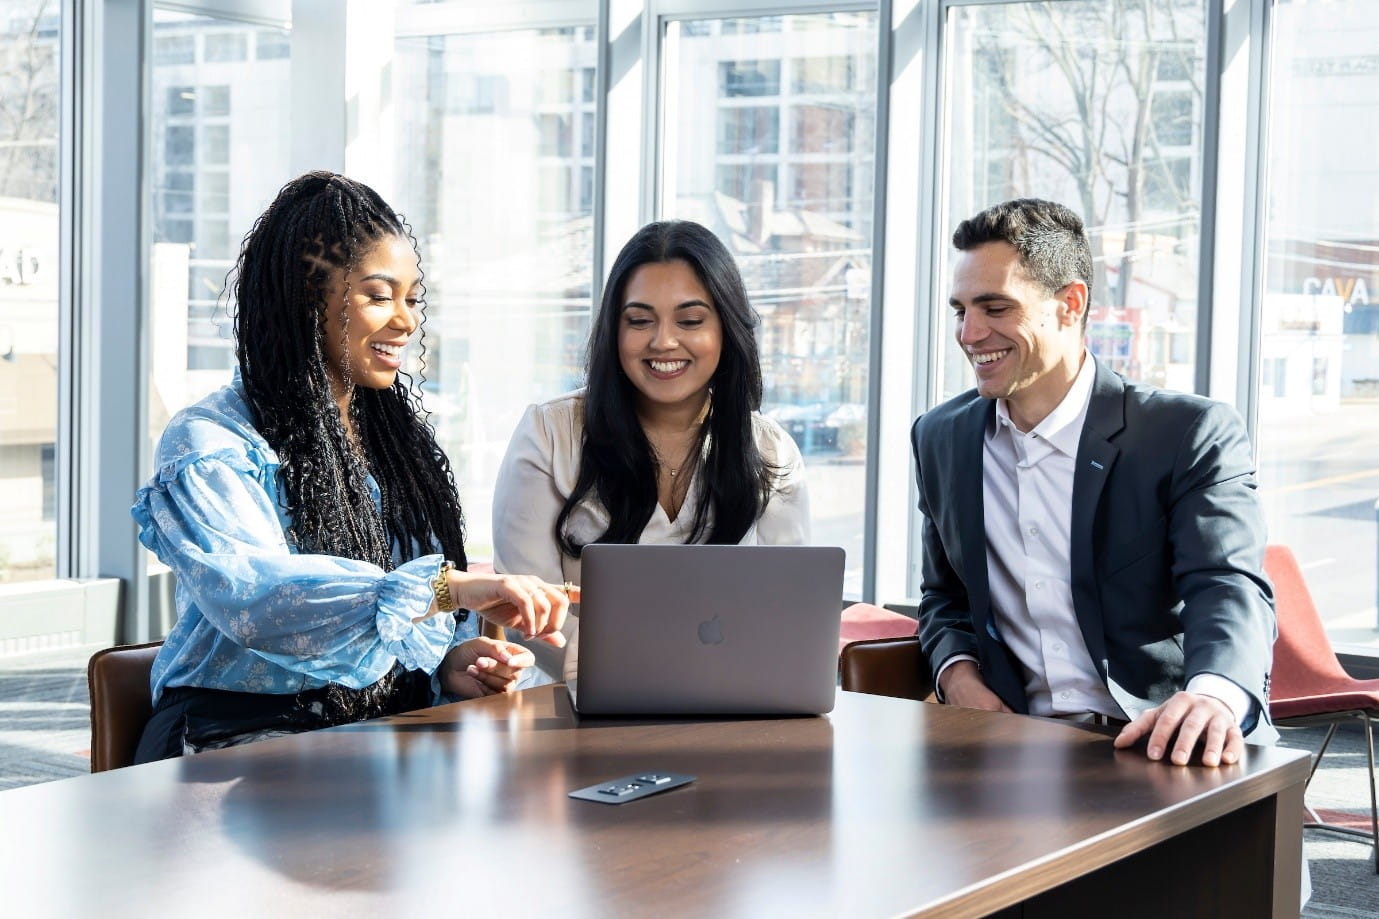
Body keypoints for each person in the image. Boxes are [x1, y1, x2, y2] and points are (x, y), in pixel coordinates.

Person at [131, 171, 570, 762]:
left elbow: (394, 623)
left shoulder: (394, 446)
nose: (406, 321)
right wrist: (450, 589)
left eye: (412, 299)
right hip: (230, 748)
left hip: (372, 744)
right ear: (306, 298)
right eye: (379, 295)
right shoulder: (210, 441)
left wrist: (451, 663)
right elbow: (258, 599)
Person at [912, 197, 1277, 768]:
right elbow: (944, 596)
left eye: (996, 307)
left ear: (1069, 304)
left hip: (1161, 740)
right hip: (1010, 744)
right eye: (960, 309)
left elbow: (1228, 586)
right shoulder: (941, 437)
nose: (970, 332)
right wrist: (957, 676)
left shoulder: (1186, 433)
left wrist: (1213, 696)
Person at [491, 219, 810, 684]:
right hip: (575, 710)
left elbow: (791, 609)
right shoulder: (549, 433)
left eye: (690, 320)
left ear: (726, 329)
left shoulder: (769, 448)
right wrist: (649, 678)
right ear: (613, 331)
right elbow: (527, 614)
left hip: (728, 706)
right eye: (639, 320)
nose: (663, 341)